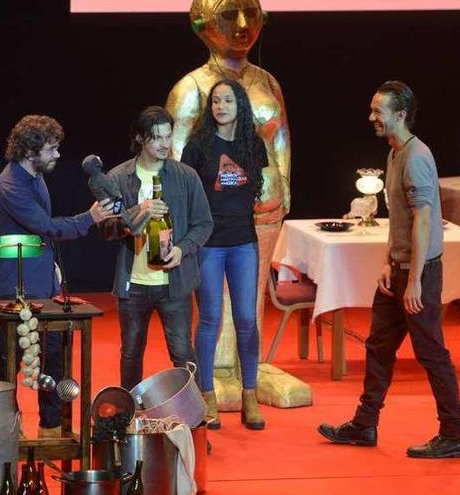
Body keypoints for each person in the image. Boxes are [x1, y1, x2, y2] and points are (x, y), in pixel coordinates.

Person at [317, 81, 460, 458]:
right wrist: (389, 262)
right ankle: (364, 425)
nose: (371, 117)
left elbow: (422, 219)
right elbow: (398, 219)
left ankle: (454, 434)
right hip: (398, 271)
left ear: (400, 115)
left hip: (418, 274)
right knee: (379, 347)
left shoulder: (416, 156)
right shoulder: (395, 152)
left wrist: (414, 279)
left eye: (377, 111)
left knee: (432, 354)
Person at [165, 0, 292, 409]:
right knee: (212, 304)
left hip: (263, 206)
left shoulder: (268, 81)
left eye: (250, 15)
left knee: (251, 298)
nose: (242, 25)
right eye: (227, 15)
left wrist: (285, 183)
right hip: (211, 217)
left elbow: (280, 137)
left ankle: (249, 374)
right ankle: (215, 376)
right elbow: (176, 151)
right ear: (202, 24)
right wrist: (185, 211)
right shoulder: (192, 87)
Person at [0, 114, 113, 437]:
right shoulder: (11, 186)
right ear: (31, 150)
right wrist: (91, 217)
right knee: (7, 369)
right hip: (13, 290)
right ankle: (4, 438)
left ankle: (51, 431)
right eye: (52, 149)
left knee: (54, 359)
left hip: (43, 286)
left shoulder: (35, 176)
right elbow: (47, 227)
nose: (57, 155)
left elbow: (44, 232)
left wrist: (51, 265)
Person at [100, 106, 213, 391]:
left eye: (168, 136)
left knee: (183, 354)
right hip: (133, 284)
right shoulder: (117, 178)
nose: (165, 144)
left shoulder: (186, 176)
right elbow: (108, 229)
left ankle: (194, 422)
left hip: (174, 284)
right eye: (157, 138)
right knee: (131, 354)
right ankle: (129, 418)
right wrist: (139, 210)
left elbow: (204, 223)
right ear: (140, 138)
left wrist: (182, 249)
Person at [181, 79, 266, 430]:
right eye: (215, 101)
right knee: (210, 319)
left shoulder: (252, 144)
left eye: (228, 100)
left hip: (244, 241)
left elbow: (262, 188)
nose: (221, 106)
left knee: (247, 319)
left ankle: (250, 395)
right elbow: (186, 195)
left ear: (239, 105)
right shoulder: (198, 146)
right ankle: (206, 396)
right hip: (209, 244)